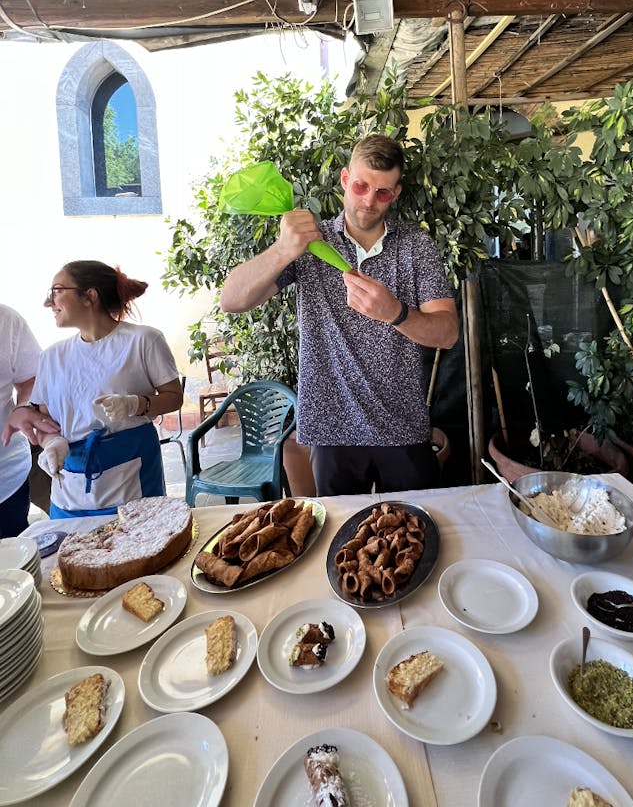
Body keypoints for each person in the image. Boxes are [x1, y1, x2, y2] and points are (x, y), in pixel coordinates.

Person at [220, 133, 459, 495]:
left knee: (415, 533)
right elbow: (232, 300)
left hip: (404, 427)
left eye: (382, 192)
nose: (368, 201)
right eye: (361, 186)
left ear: (394, 194)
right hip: (332, 430)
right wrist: (283, 249)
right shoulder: (309, 242)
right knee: (342, 543)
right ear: (345, 180)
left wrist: (396, 313)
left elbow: (448, 333)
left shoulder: (415, 245)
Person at [4, 261, 183, 519]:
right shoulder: (52, 357)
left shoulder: (143, 340)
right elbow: (46, 422)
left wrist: (136, 404)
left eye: (55, 291)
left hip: (133, 480)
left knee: (140, 548)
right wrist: (52, 443)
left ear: (90, 296)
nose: (48, 303)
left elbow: (174, 397)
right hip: (70, 491)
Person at [0, 305, 60, 536]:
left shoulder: (6, 319)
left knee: (13, 568)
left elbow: (32, 377)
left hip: (6, 480)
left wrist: (24, 406)